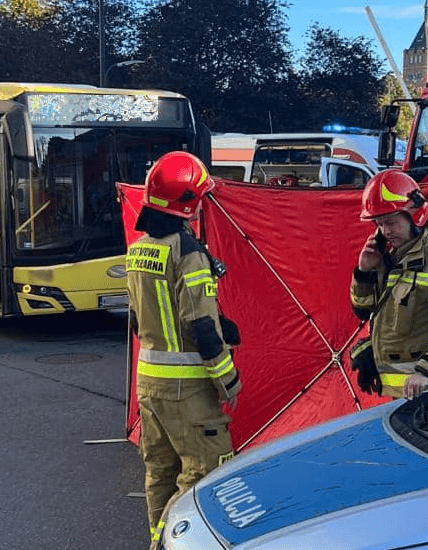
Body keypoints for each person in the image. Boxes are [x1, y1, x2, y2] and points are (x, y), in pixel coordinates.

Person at [126, 151, 241, 549]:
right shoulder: (189, 253)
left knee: (160, 471)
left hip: (149, 382)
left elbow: (142, 320)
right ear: (189, 202)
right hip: (187, 388)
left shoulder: (139, 247)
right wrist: (228, 379)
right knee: (207, 471)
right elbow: (202, 330)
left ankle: (155, 540)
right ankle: (169, 543)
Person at [350, 169, 428, 399]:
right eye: (379, 224)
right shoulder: (390, 256)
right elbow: (363, 310)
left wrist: (427, 371)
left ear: (415, 215)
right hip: (401, 394)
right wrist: (364, 273)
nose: (385, 231)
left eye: (391, 222)